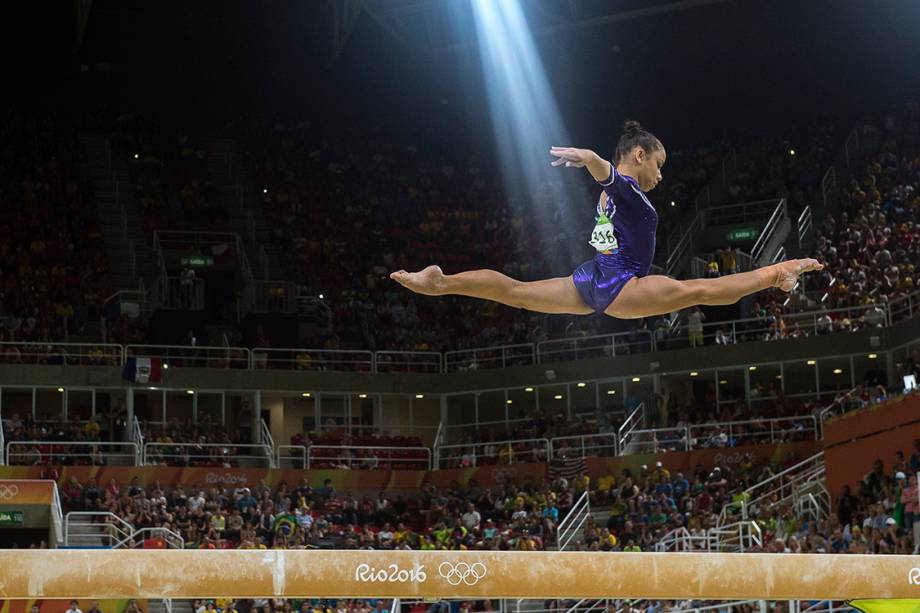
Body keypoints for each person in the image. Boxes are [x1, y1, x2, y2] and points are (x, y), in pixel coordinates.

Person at [391, 121, 822, 319]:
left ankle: (442, 283)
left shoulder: (607, 199)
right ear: (640, 155)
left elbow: (603, 238)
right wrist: (592, 158)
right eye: (660, 163)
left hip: (592, 279)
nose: (661, 173)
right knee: (700, 291)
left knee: (517, 292)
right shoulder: (625, 189)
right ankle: (776, 272)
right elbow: (610, 176)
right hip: (623, 284)